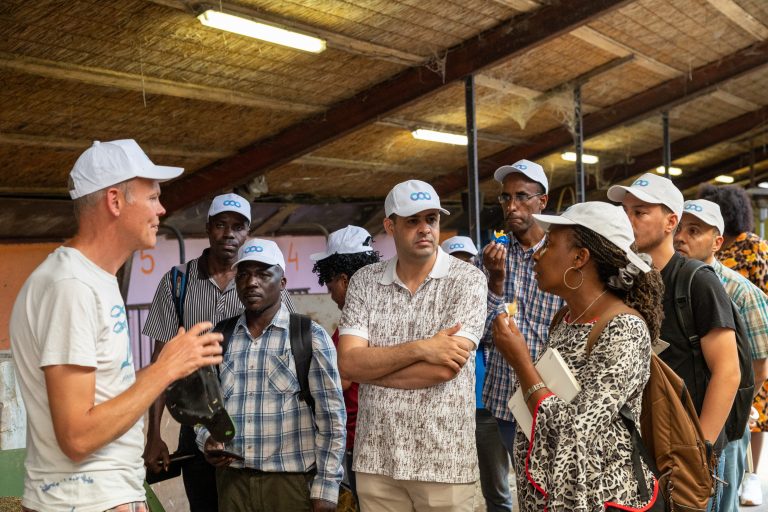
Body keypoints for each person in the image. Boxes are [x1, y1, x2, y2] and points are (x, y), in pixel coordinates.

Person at [10, 139, 224, 512]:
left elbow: (107, 396)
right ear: (115, 201)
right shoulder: (71, 286)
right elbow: (77, 436)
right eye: (153, 197)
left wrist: (169, 367)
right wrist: (165, 369)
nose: (162, 209)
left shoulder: (95, 280)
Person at [491, 201, 664, 511]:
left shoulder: (624, 329)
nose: (537, 254)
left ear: (580, 257)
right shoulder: (566, 319)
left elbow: (575, 428)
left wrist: (520, 362)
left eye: (549, 244)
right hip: (551, 497)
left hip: (599, 499)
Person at [337, 180, 487, 511]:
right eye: (412, 221)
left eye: (431, 219)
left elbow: (444, 369)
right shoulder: (365, 281)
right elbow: (347, 364)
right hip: (376, 459)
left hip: (445, 460)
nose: (424, 229)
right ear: (390, 226)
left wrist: (371, 370)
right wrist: (422, 348)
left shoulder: (468, 280)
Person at [142, 193, 297, 511]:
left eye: (238, 227)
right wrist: (154, 435)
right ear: (208, 227)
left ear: (248, 232)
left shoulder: (266, 286)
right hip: (198, 420)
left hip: (255, 421)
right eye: (221, 225)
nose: (229, 234)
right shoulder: (177, 283)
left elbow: (290, 354)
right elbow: (159, 364)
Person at [608, 173, 740, 510]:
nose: (628, 220)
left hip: (686, 452)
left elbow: (728, 372)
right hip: (643, 447)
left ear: (670, 223)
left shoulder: (697, 281)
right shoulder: (627, 280)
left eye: (640, 212)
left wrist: (699, 450)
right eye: (625, 211)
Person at [199, 238, 346, 512]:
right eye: (244, 275)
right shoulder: (220, 338)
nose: (251, 282)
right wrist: (206, 439)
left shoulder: (309, 337)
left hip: (290, 485)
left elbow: (332, 420)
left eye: (263, 274)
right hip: (233, 484)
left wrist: (326, 487)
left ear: (282, 282)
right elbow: (203, 407)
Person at [674, 198, 768, 512]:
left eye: (694, 231)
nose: (681, 238)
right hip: (679, 420)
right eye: (679, 228)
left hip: (726, 424)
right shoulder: (668, 282)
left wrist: (733, 409)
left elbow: (759, 368)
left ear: (717, 242)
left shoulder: (741, 292)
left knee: (720, 500)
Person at [478, 159, 564, 455]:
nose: (511, 206)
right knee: (521, 478)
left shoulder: (563, 256)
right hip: (505, 400)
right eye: (506, 197)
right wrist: (495, 282)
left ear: (543, 201)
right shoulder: (489, 258)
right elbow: (479, 335)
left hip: (553, 397)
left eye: (522, 196)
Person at [699, 184, 768, 506]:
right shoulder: (707, 252)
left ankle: (751, 477)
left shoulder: (753, 247)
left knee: (754, 412)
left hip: (747, 330)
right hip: (721, 330)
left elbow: (760, 289)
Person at [441, 236, 513, 512]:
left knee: (497, 488)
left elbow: (491, 334)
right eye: (456, 263)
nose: (464, 269)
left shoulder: (490, 301)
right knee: (451, 488)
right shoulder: (437, 306)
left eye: (469, 262)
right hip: (451, 411)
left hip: (487, 410)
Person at [311, 225, 382, 499]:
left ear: (344, 280)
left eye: (331, 288)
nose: (331, 296)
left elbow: (341, 381)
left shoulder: (352, 327)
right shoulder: (384, 313)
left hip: (358, 439)